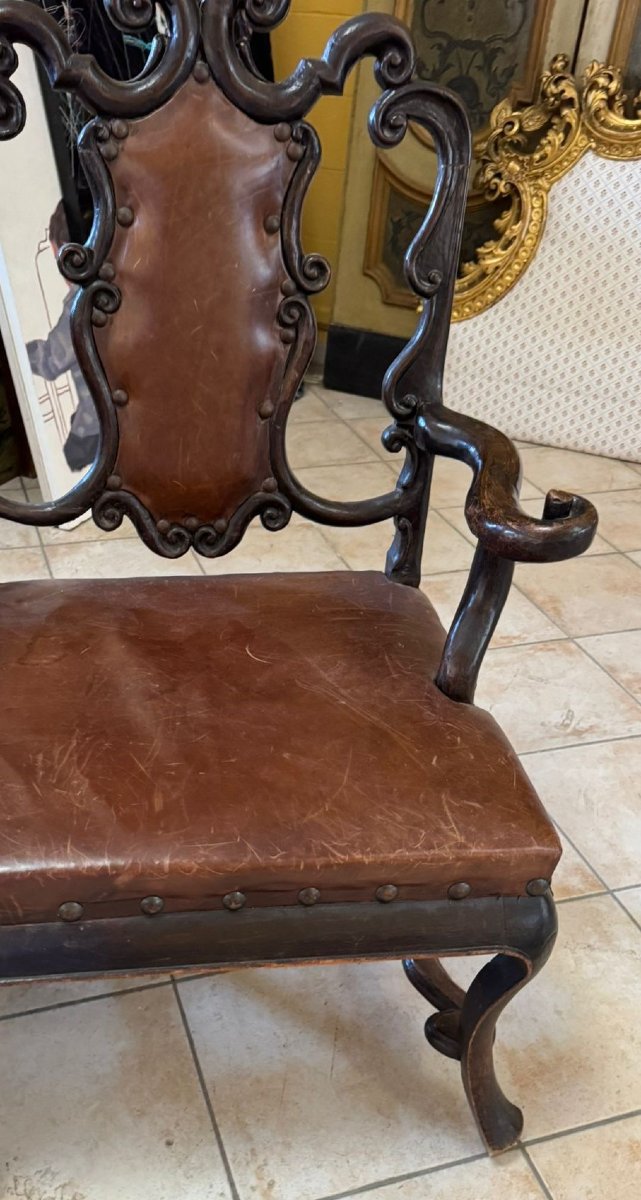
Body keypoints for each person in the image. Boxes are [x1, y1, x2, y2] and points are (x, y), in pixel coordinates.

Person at [26, 201, 99, 472]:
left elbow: (50, 362)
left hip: (97, 422)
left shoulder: (79, 305)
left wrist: (21, 355)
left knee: (70, 457)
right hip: (124, 414)